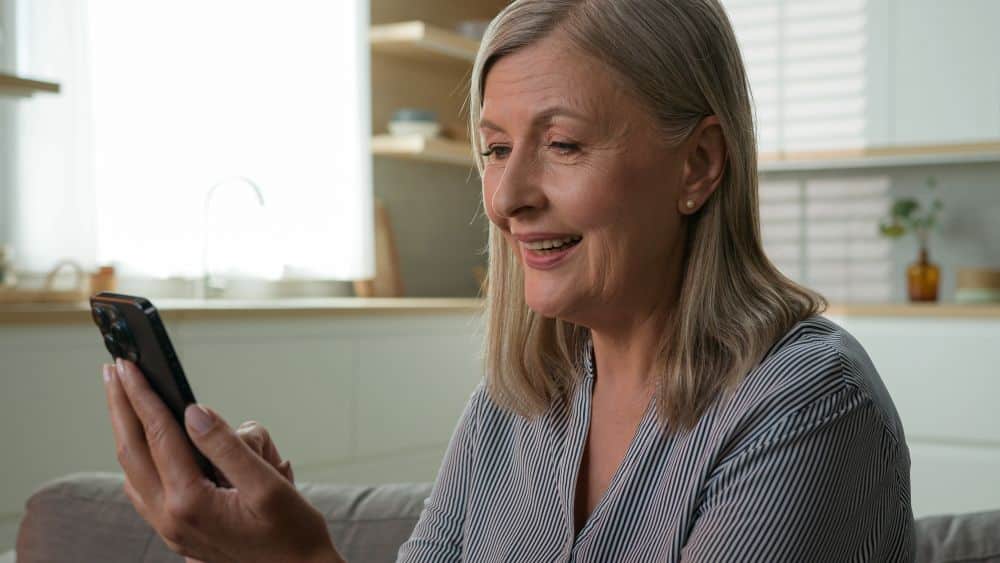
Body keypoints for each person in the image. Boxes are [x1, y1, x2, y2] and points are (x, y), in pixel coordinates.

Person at [102, 0, 915, 561]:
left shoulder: (808, 406)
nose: (506, 197)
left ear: (698, 164)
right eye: (494, 149)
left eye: (562, 145)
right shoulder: (515, 405)